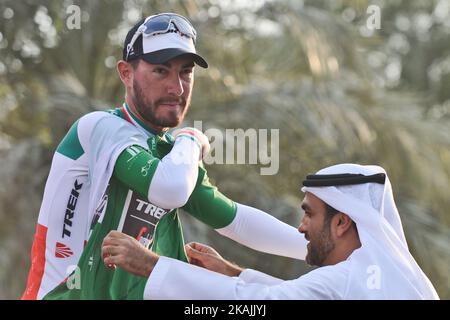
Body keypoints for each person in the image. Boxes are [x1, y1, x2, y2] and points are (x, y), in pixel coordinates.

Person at [21, 13, 306, 300]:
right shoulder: (100, 127)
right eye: (161, 71)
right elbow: (169, 189)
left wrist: (325, 249)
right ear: (125, 73)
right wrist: (192, 138)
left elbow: (236, 221)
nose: (177, 88)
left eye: (186, 72)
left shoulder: (172, 155)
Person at [103, 164, 440, 299]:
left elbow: (261, 304)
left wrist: (150, 265)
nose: (301, 227)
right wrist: (233, 272)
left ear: (341, 223)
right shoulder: (383, 275)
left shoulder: (346, 279)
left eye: (309, 215)